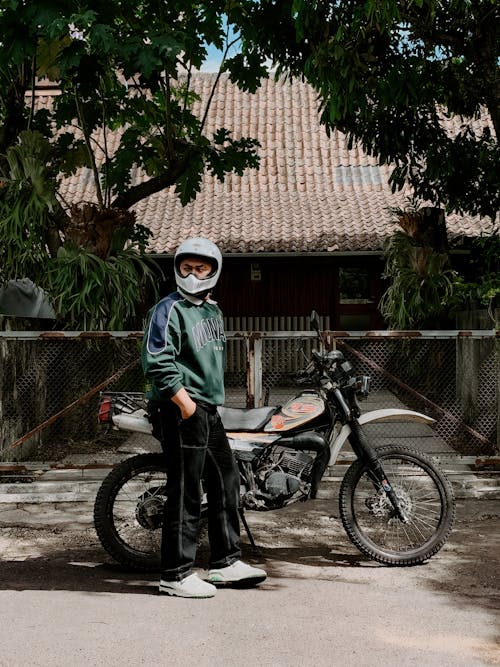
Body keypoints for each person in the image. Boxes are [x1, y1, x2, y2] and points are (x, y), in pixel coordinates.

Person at [141, 237, 267, 598]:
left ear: (214, 271)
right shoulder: (169, 309)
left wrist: (203, 407)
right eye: (186, 268)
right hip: (180, 407)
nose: (193, 274)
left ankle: (225, 563)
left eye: (201, 268)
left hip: (207, 409)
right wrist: (186, 405)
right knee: (186, 489)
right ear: (177, 269)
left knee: (226, 480)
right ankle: (175, 574)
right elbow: (158, 361)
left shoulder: (212, 310)